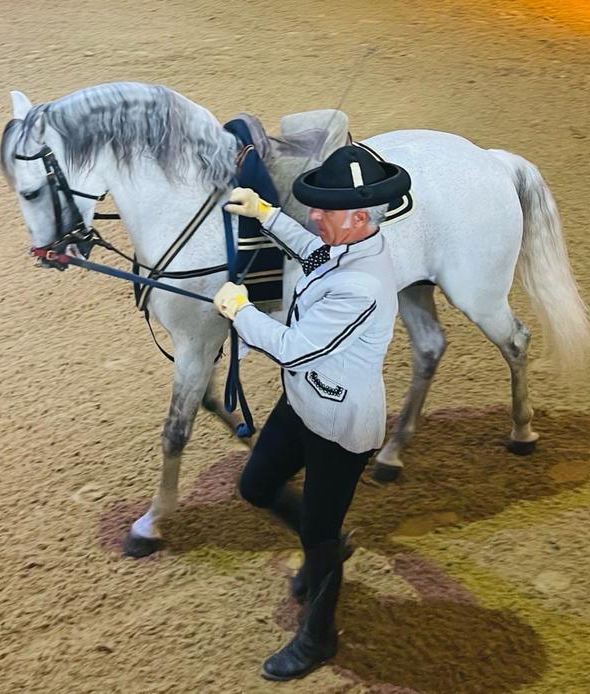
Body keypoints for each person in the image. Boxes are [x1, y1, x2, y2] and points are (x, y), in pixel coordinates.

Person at [215, 144, 408, 681]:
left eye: (325, 209)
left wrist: (240, 312)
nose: (315, 215)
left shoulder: (362, 286)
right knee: (256, 486)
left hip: (340, 428)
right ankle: (327, 540)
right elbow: (312, 251)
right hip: (302, 402)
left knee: (317, 540)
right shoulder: (347, 246)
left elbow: (295, 348)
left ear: (360, 217)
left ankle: (318, 638)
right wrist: (265, 213)